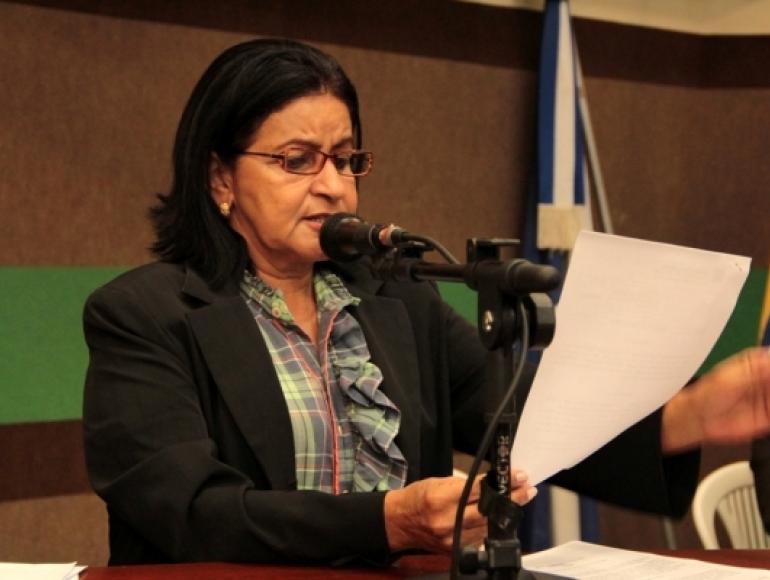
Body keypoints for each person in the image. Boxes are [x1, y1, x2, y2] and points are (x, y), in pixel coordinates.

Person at [82, 38, 770, 566]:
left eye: (345, 158)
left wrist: (686, 417)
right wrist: (388, 521)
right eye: (297, 160)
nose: (334, 187)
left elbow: (524, 423)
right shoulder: (145, 316)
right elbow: (192, 513)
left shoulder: (397, 300)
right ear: (220, 179)